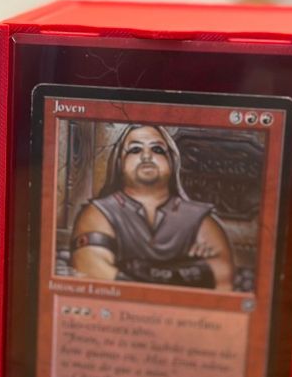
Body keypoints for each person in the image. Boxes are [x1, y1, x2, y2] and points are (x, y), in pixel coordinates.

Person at [69, 124, 233, 290]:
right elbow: (92, 268)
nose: (147, 156)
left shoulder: (198, 218)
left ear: (171, 160)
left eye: (157, 149)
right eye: (135, 150)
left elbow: (223, 274)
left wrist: (133, 269)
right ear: (119, 162)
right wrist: (189, 269)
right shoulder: (99, 213)